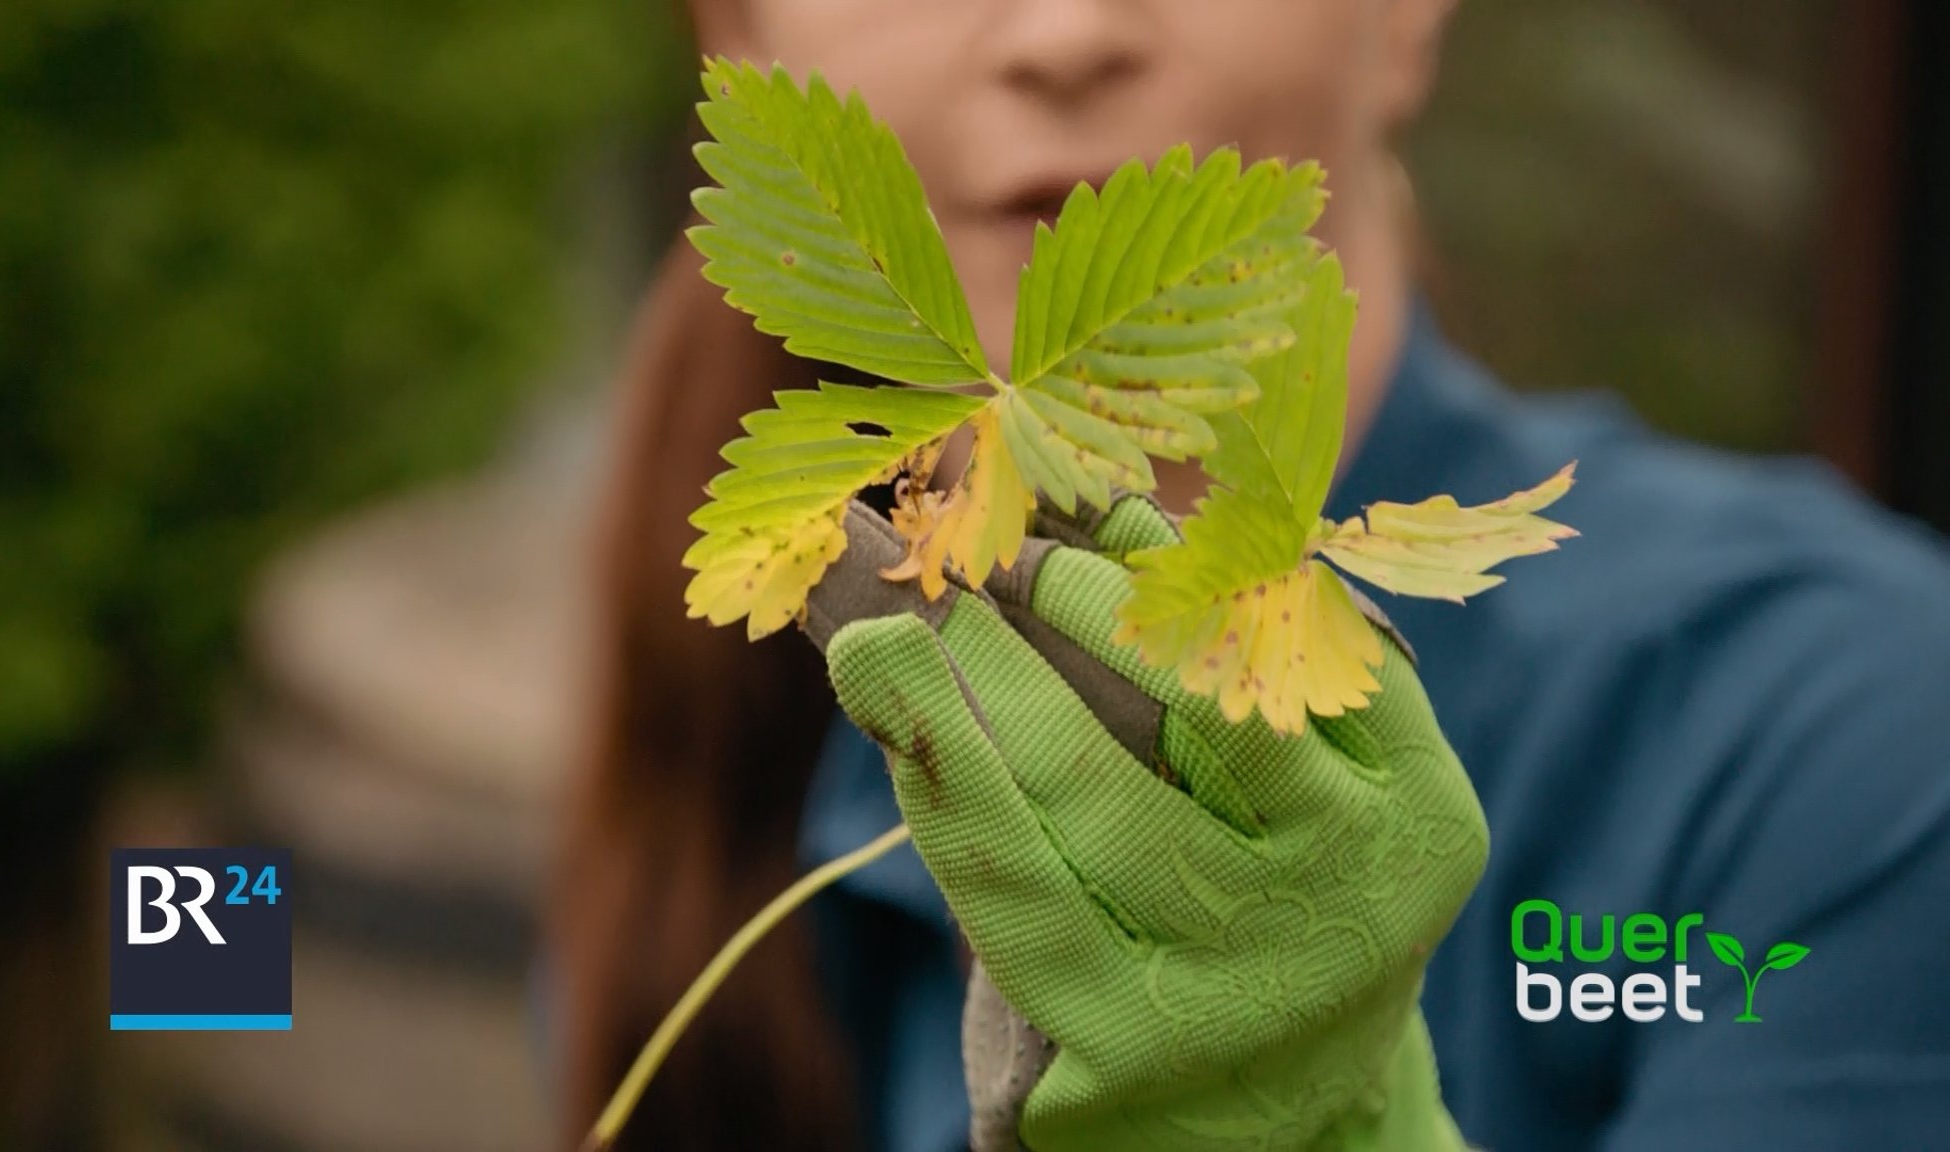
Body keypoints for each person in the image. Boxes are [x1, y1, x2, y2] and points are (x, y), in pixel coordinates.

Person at [559, 2, 1950, 1149]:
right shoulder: (746, 727)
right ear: (735, 43)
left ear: (1405, 25)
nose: (1060, 32)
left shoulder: (1843, 729)